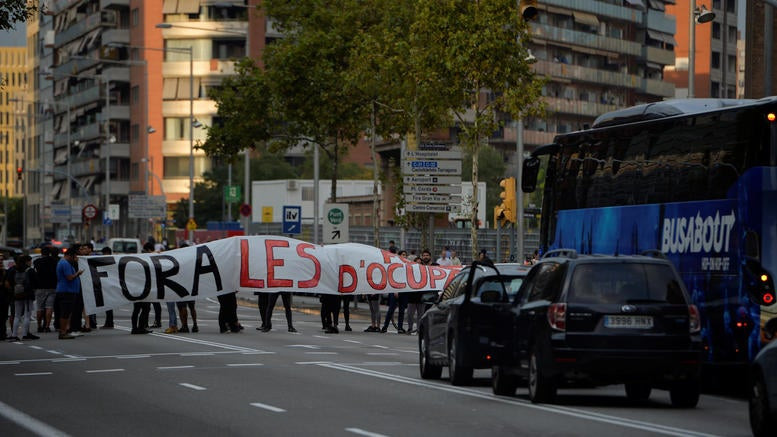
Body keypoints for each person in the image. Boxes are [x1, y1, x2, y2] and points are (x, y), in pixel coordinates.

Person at [55, 246, 84, 339]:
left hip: (68, 291)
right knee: (65, 313)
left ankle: (65, 331)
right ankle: (63, 332)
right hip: (66, 291)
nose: (75, 258)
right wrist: (78, 274)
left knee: (67, 312)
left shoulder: (65, 263)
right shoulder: (65, 263)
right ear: (70, 255)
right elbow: (69, 277)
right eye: (74, 256)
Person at [9, 255, 38, 341]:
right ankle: (25, 334)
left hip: (17, 294)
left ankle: (14, 334)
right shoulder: (30, 270)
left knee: (17, 315)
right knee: (27, 315)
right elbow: (36, 282)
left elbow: (9, 282)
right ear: (26, 261)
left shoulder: (13, 270)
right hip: (28, 295)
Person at [406, 249, 432, 335]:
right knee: (410, 314)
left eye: (419, 263)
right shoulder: (410, 271)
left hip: (421, 295)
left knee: (420, 314)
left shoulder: (425, 270)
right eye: (416, 263)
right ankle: (410, 328)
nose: (418, 264)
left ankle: (418, 329)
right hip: (412, 295)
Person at [34, 246, 59, 333]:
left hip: (40, 287)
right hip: (52, 286)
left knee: (39, 308)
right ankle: (47, 326)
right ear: (49, 253)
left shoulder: (36, 261)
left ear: (41, 253)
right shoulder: (54, 261)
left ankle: (39, 326)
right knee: (49, 307)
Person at [130, 243, 154, 334]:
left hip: (136, 290)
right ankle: (140, 327)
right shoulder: (147, 263)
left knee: (137, 309)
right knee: (146, 308)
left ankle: (135, 328)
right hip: (143, 290)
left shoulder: (135, 263)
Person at [99, 246, 115, 329]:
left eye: (103, 253)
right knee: (109, 305)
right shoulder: (112, 260)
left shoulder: (108, 260)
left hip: (108, 285)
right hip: (109, 284)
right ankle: (109, 322)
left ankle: (109, 323)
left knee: (108, 305)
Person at [0, 254, 8, 340]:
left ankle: (3, 334)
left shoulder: (5, 271)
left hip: (4, 298)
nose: (1, 261)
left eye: (2, 260)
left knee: (3, 317)